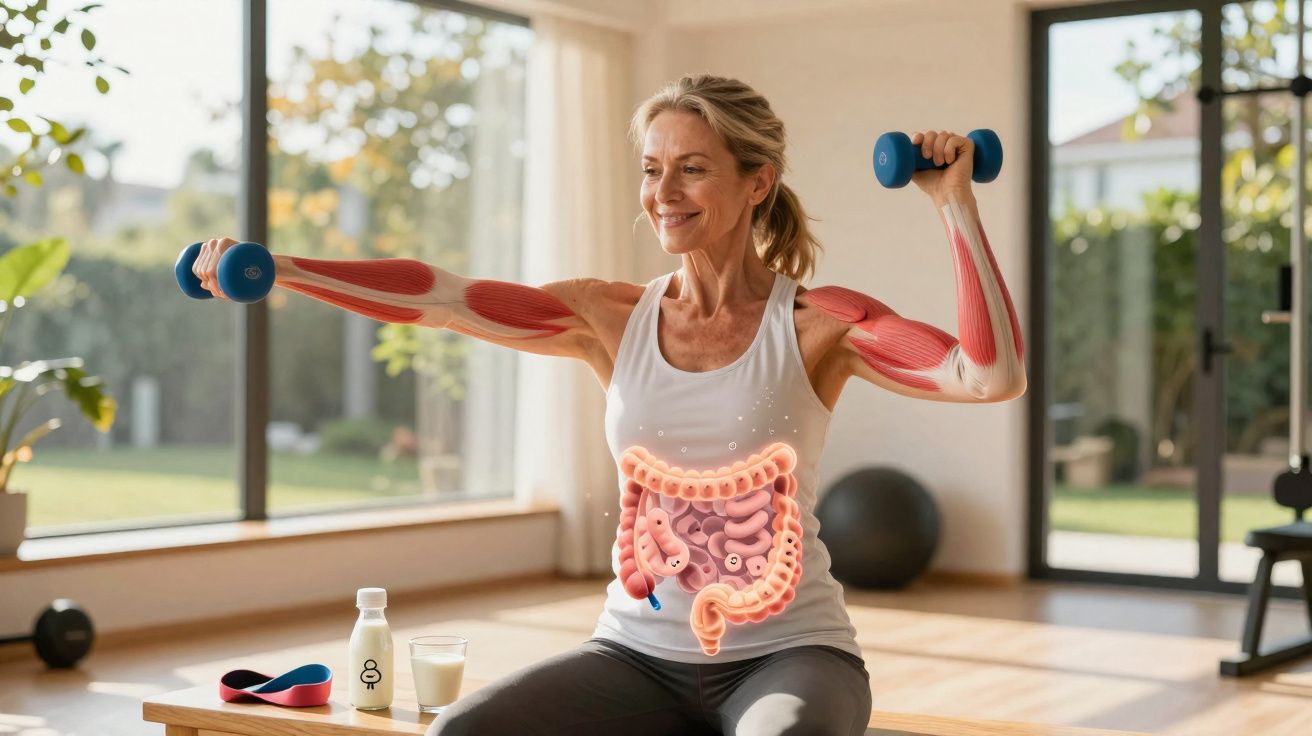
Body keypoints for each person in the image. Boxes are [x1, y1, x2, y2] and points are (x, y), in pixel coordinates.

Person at [194, 74, 1025, 735]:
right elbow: (445, 298)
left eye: (693, 167)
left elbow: (989, 375)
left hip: (790, 654)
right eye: (652, 168)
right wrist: (291, 270)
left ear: (757, 182)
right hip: (634, 655)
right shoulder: (607, 316)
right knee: (462, 734)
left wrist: (954, 202)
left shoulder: (816, 324)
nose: (663, 191)